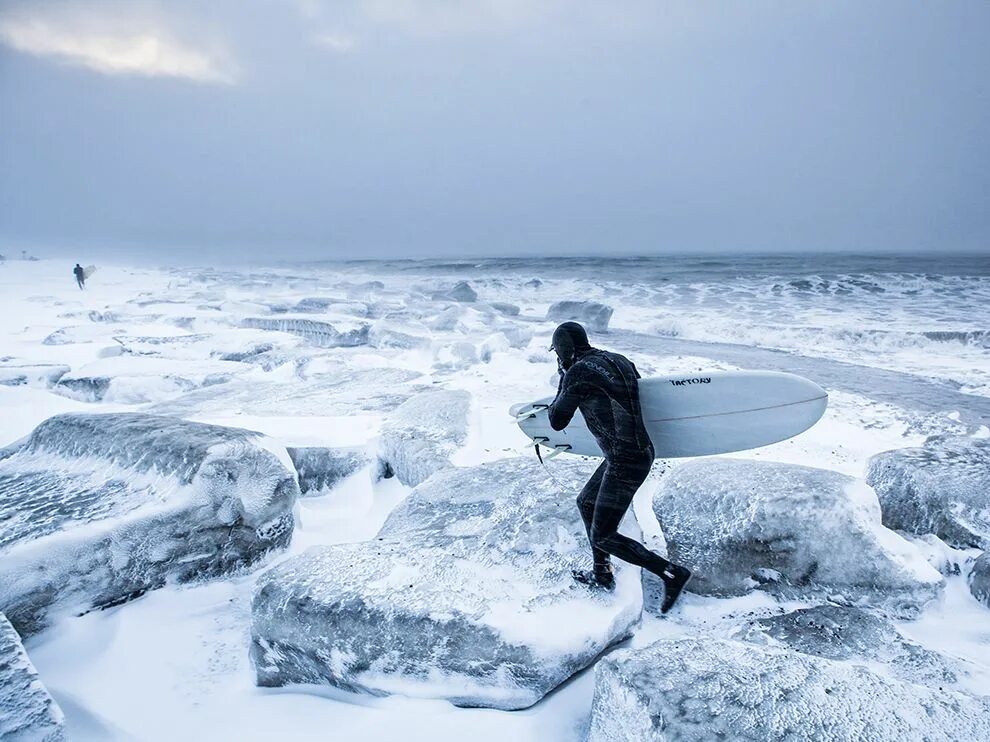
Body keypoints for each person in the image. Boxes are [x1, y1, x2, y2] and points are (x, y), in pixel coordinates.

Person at [544, 321, 691, 613]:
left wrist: (564, 377)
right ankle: (602, 574)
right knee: (586, 502)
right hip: (634, 452)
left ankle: (670, 572)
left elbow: (556, 420)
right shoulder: (620, 360)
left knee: (604, 535)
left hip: (625, 460)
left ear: (563, 350)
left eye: (557, 353)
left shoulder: (576, 372)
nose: (557, 358)